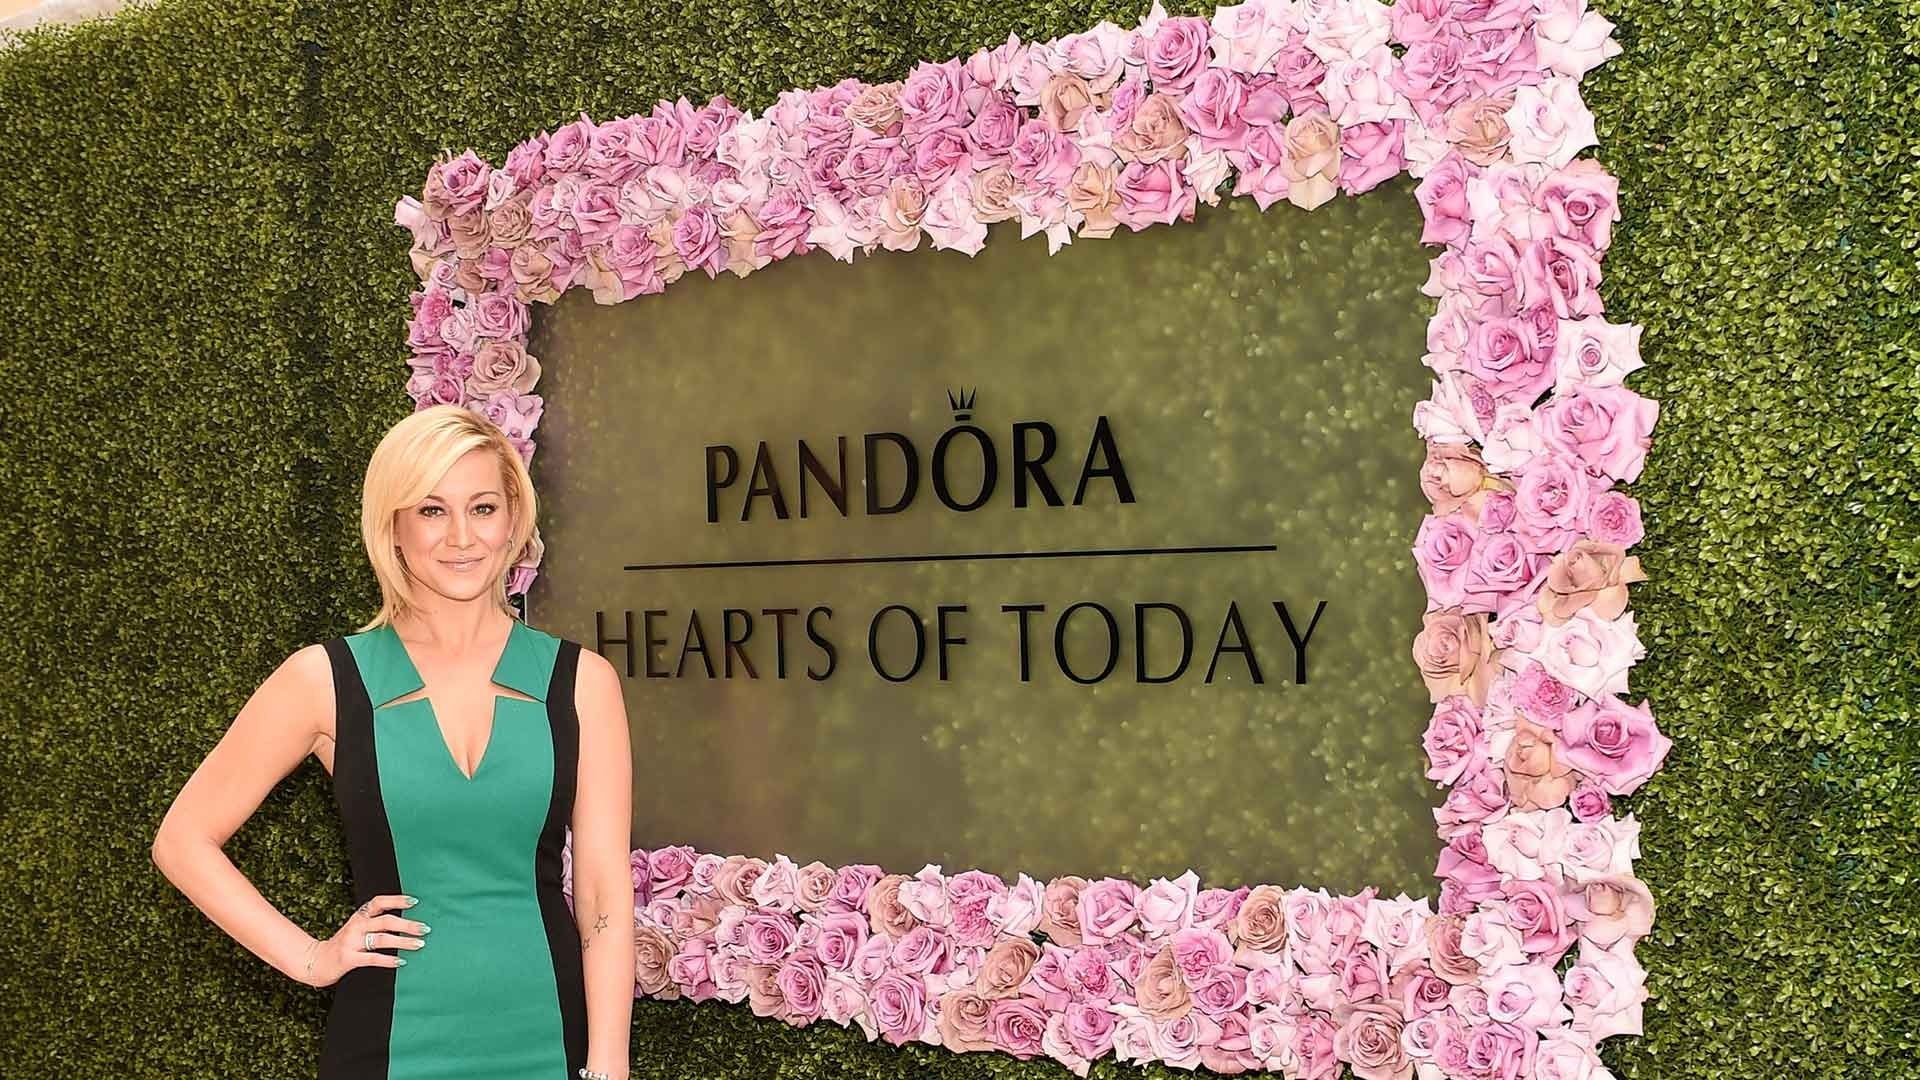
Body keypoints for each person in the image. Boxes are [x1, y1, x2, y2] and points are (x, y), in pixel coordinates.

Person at [152, 405, 635, 1079]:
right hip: (386, 1046)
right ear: (395, 526)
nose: (462, 536)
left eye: (484, 507)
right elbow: (182, 840)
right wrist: (312, 958)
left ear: (513, 521)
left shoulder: (583, 682)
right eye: (432, 510)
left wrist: (609, 1061)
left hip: (549, 1042)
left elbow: (605, 896)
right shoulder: (325, 679)